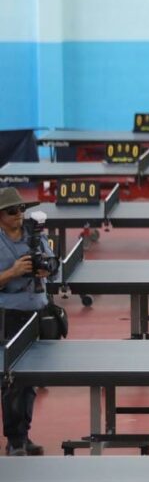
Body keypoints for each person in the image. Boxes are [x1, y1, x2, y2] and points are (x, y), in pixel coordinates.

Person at [0, 187, 53, 456]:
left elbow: (54, 264)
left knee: (30, 380)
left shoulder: (35, 235)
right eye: (12, 211)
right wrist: (13, 272)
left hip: (36, 313)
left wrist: (47, 268)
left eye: (21, 209)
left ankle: (25, 434)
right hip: (8, 316)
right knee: (12, 382)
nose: (19, 215)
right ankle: (15, 440)